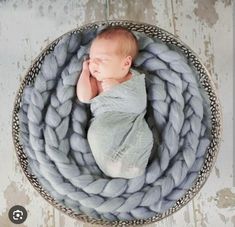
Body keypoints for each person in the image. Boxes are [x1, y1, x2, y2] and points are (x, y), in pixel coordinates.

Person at [76, 26, 153, 178]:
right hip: (105, 123)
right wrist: (85, 73)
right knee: (96, 134)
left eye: (102, 59)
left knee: (144, 138)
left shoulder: (133, 79)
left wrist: (118, 89)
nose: (94, 65)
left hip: (130, 123)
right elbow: (84, 97)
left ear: (125, 64)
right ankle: (111, 165)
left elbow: (138, 105)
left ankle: (133, 165)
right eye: (92, 60)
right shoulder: (97, 82)